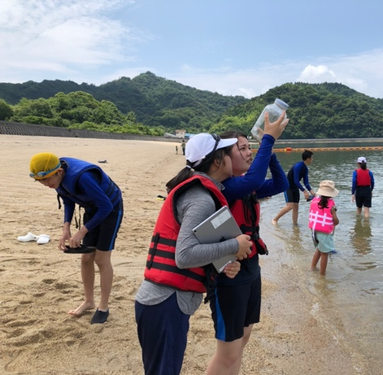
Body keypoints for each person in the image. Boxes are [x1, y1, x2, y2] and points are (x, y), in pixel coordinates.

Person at [134, 133, 253, 375]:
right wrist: (234, 246)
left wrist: (226, 264)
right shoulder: (201, 198)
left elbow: (198, 247)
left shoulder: (201, 192)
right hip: (164, 302)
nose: (234, 157)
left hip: (166, 302)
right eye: (228, 153)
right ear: (217, 161)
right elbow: (185, 255)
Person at [206, 111, 289, 375]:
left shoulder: (247, 188)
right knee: (228, 351)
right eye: (242, 149)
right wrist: (268, 140)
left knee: (244, 337)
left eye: (249, 147)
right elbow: (254, 179)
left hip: (251, 268)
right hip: (230, 272)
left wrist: (270, 150)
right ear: (223, 159)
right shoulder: (226, 187)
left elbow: (280, 183)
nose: (248, 153)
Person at [29, 152, 123, 324]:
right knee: (86, 258)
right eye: (41, 181)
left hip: (111, 210)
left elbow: (106, 206)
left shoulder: (83, 178)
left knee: (101, 259)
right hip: (92, 209)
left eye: (47, 179)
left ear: (59, 171)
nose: (45, 184)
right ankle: (88, 301)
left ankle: (103, 307)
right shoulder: (56, 180)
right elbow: (67, 200)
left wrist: (82, 232)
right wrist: (66, 228)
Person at [272, 150, 315, 225]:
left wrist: (311, 191)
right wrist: (304, 191)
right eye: (312, 158)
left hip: (295, 188)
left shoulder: (305, 169)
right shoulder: (298, 166)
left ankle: (295, 225)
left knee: (296, 207)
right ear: (308, 158)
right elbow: (296, 181)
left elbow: (306, 182)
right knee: (290, 206)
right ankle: (275, 219)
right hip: (287, 186)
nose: (312, 159)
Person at [309, 180, 340, 275]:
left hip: (314, 231)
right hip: (324, 233)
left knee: (319, 249)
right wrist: (336, 218)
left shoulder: (314, 201)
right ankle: (322, 275)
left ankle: (313, 267)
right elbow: (335, 221)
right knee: (324, 254)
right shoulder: (331, 205)